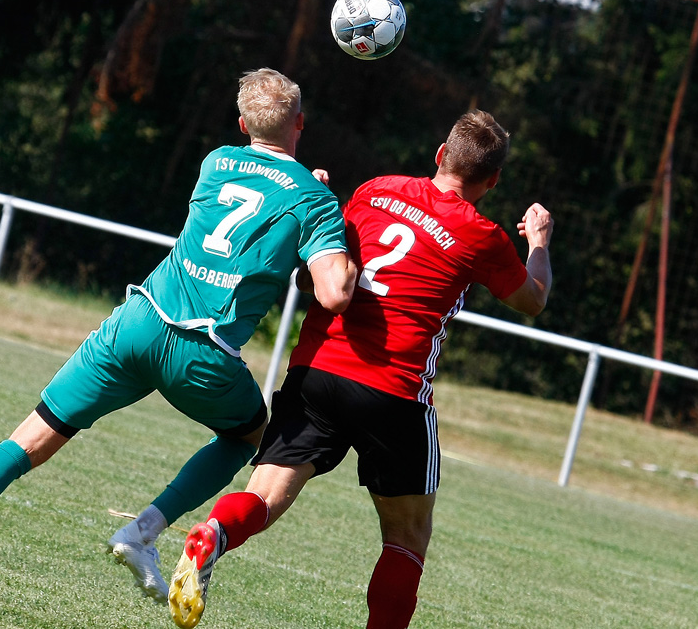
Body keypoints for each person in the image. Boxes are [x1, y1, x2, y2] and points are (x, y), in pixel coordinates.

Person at [0, 67, 358, 602]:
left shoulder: (215, 163)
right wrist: (329, 212)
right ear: (301, 122)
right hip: (202, 357)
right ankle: (142, 533)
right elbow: (332, 294)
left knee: (31, 437)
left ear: (242, 123)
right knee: (248, 435)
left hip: (136, 324)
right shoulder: (311, 196)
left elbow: (254, 195)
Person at [167, 110, 554, 629]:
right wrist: (540, 244)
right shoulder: (481, 235)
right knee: (407, 535)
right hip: (392, 390)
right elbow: (533, 300)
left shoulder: (373, 191)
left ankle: (213, 534)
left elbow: (317, 275)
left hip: (317, 371)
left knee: (263, 494)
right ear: (493, 180)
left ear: (440, 153)